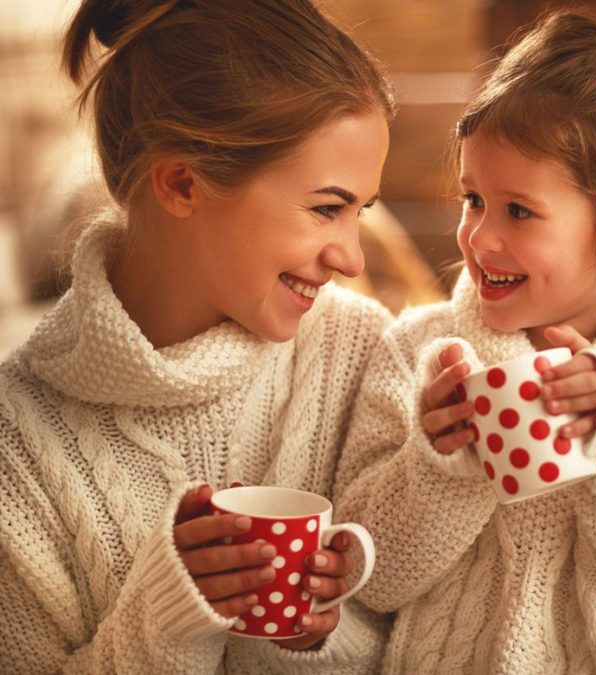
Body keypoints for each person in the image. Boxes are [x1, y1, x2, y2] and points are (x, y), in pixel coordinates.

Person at [333, 1, 596, 671]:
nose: (478, 236)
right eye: (473, 198)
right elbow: (366, 576)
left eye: (519, 210)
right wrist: (441, 465)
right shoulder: (419, 355)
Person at [0, 0, 396, 671]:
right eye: (327, 208)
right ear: (182, 182)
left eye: (361, 212)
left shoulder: (364, 355)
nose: (353, 259)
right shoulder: (19, 436)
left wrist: (317, 635)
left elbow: (434, 632)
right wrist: (169, 616)